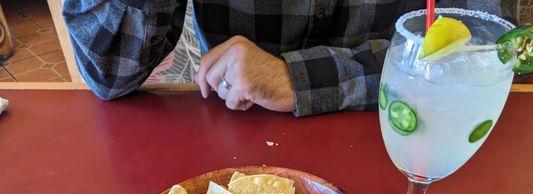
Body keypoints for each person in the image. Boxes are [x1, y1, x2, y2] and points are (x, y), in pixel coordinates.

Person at [63, 0, 516, 116]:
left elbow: (485, 52)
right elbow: (109, 72)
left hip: (402, 130)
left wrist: (297, 78)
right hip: (230, 128)